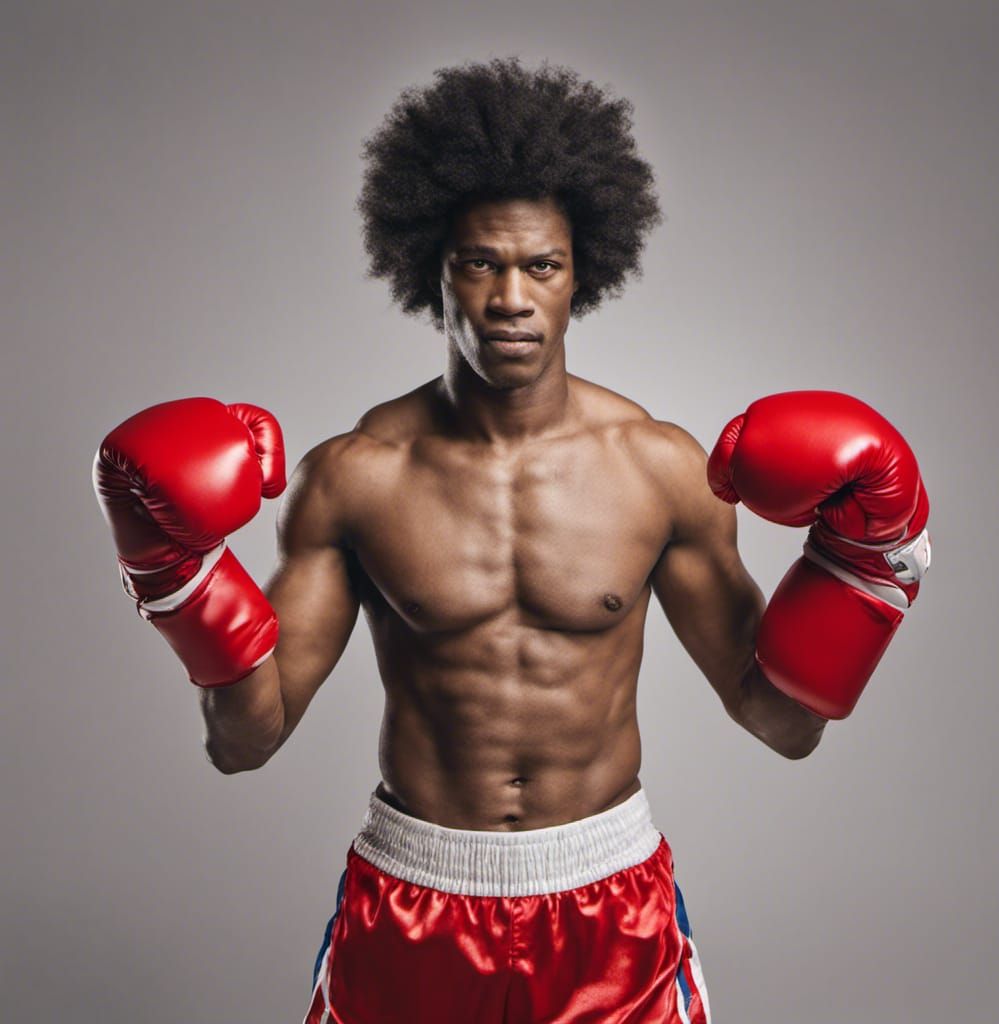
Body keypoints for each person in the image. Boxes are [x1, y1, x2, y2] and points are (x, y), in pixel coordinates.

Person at [92, 59, 931, 1024]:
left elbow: (783, 725)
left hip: (610, 900)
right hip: (412, 894)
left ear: (582, 278)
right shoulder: (355, 476)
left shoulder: (659, 470)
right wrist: (180, 577)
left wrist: (866, 568)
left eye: (542, 266)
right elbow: (246, 740)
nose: (510, 298)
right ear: (432, 273)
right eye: (479, 263)